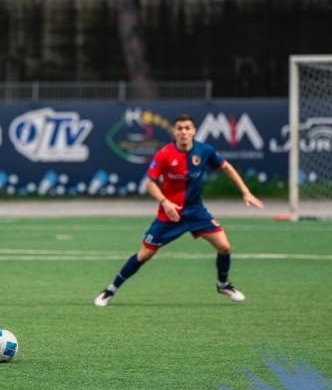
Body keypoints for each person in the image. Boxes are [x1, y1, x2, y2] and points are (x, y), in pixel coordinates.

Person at [94, 114, 264, 307]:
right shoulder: (164, 154)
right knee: (144, 255)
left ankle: (223, 285)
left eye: (187, 128)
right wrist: (165, 202)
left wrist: (246, 192)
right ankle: (110, 290)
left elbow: (227, 167)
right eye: (180, 128)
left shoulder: (204, 150)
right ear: (174, 132)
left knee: (224, 247)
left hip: (196, 212)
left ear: (194, 131)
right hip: (169, 215)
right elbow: (149, 183)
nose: (183, 132)